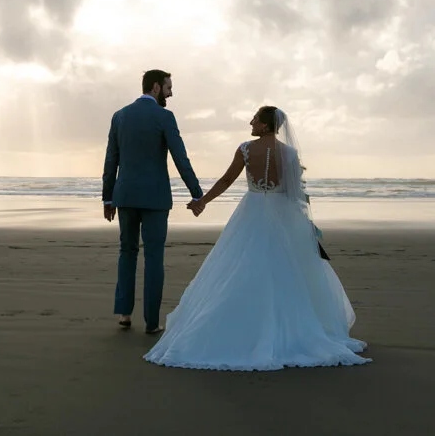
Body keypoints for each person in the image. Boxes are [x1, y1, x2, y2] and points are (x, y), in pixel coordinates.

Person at [143, 106, 371, 370]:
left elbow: (228, 179)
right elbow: (292, 191)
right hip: (283, 214)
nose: (250, 122)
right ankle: (291, 328)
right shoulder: (289, 153)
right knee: (286, 270)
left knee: (241, 264)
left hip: (252, 211)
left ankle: (243, 326)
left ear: (264, 125)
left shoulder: (246, 149)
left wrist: (202, 201)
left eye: (255, 119)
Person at [102, 69, 204, 334]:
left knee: (127, 252)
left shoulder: (120, 116)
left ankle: (125, 314)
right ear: (156, 87)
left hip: (124, 195)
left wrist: (107, 197)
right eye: (169, 87)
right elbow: (180, 158)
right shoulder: (164, 117)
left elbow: (111, 159)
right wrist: (196, 193)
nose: (171, 92)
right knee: (154, 257)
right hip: (155, 197)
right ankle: (151, 322)